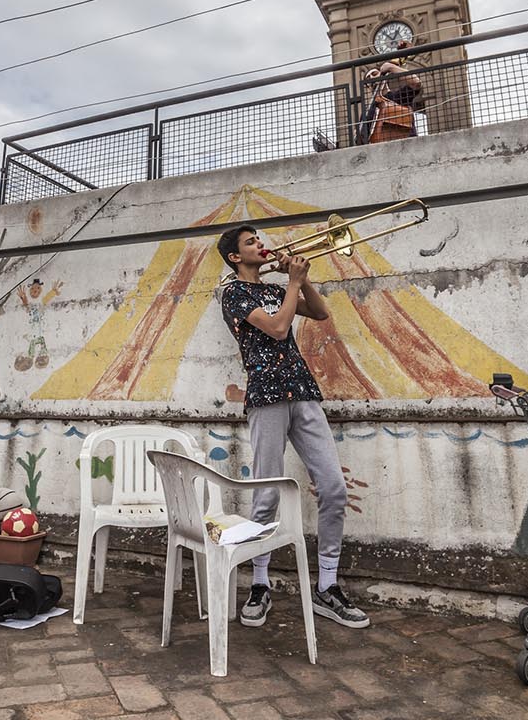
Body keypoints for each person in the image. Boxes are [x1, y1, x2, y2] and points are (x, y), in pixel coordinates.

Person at [216, 224, 370, 629]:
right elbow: (278, 328)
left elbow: (319, 313)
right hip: (266, 396)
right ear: (235, 257)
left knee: (334, 488)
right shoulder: (233, 293)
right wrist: (292, 283)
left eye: (258, 239)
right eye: (251, 242)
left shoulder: (272, 288)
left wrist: (302, 279)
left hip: (302, 391)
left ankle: (328, 586)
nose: (260, 245)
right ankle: (261, 583)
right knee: (266, 492)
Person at [356, 53, 423, 145]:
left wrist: (391, 67)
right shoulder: (367, 112)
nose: (371, 77)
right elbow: (362, 138)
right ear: (368, 86)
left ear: (383, 75)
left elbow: (416, 83)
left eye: (374, 74)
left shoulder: (397, 96)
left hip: (406, 144)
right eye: (368, 78)